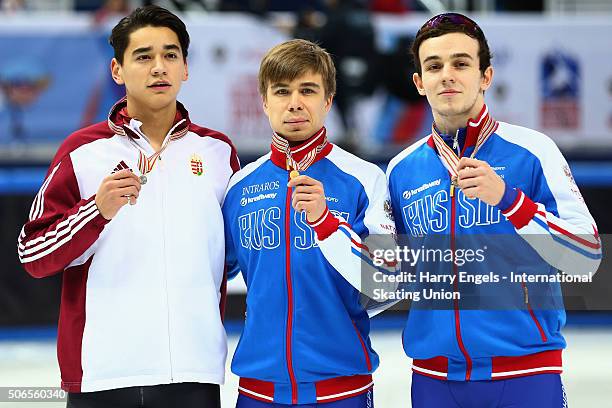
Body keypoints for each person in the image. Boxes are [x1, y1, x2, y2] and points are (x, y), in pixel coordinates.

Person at [17, 6, 239, 407]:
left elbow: (233, 256)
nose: (159, 67)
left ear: (186, 67)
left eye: (170, 55)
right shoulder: (82, 152)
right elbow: (32, 254)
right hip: (103, 376)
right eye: (143, 56)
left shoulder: (218, 153)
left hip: (194, 373)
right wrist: (95, 211)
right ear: (117, 70)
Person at [386, 13, 602, 408]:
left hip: (526, 376)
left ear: (486, 76)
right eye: (434, 66)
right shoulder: (401, 171)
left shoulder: (533, 151)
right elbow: (387, 277)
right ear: (420, 82)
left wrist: (511, 201)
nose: (447, 75)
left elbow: (587, 256)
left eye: (461, 63)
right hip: (434, 382)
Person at [222, 39, 396, 407]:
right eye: (282, 91)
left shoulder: (364, 178)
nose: (295, 102)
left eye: (308, 90)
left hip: (341, 389)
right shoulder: (238, 186)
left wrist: (326, 224)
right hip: (257, 392)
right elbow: (209, 275)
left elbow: (387, 285)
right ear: (265, 101)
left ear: (328, 100)